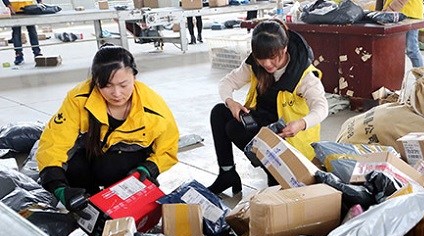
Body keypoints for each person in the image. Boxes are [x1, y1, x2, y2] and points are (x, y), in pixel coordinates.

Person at [37, 45, 179, 215]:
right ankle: (88, 205)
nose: (116, 93)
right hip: (92, 156)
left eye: (123, 85)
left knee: (114, 169)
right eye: (106, 85)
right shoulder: (78, 98)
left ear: (134, 76)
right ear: (95, 81)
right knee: (72, 165)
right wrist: (57, 185)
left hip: (126, 165)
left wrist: (149, 168)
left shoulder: (153, 108)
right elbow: (54, 142)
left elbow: (168, 148)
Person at [207, 19, 328, 195]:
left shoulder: (304, 76)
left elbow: (321, 108)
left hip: (288, 137)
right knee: (219, 112)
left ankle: (277, 173)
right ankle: (227, 174)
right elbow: (227, 82)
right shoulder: (255, 64)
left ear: (284, 49)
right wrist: (231, 102)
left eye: (273, 58)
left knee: (234, 128)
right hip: (262, 124)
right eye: (261, 59)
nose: (267, 65)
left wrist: (301, 124)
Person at [378, 0, 424, 68]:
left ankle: (422, 77)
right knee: (393, 49)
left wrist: (390, 10)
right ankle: (393, 77)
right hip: (393, 13)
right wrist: (378, 12)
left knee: (412, 49)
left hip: (409, 13)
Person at [2, 0, 42, 65]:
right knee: (16, 33)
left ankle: (37, 52)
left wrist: (39, 2)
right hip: (15, 9)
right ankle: (18, 54)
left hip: (29, 8)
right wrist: (9, 6)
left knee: (32, 31)